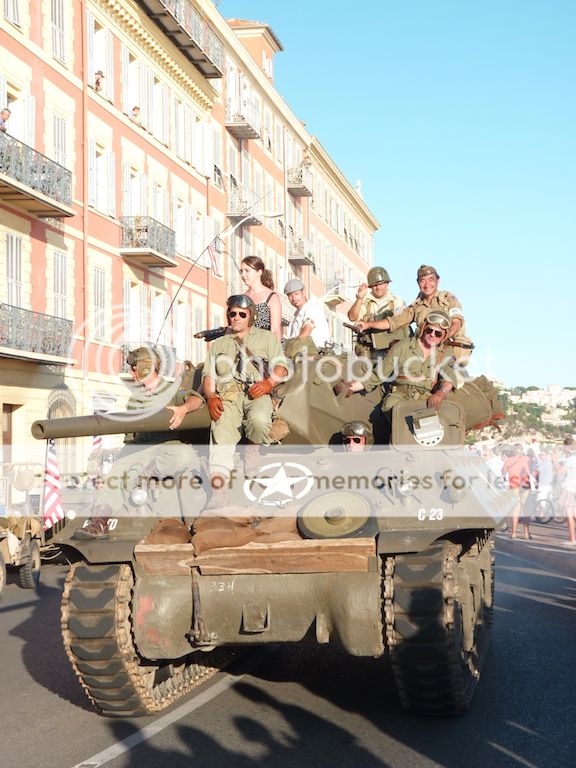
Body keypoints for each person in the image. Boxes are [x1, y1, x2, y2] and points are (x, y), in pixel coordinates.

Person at [74, 346, 205, 539]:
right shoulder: (135, 401)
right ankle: (99, 521)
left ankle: (149, 470)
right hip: (141, 446)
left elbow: (197, 400)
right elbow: (130, 438)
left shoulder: (174, 391)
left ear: (145, 367)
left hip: (168, 445)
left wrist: (183, 409)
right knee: (119, 473)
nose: (131, 372)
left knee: (186, 456)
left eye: (134, 367)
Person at [202, 295, 288, 503]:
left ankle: (252, 451)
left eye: (242, 314)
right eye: (232, 314)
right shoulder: (219, 344)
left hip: (256, 393)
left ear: (250, 316)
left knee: (259, 420)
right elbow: (208, 376)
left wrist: (268, 384)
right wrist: (211, 397)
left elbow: (281, 368)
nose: (236, 317)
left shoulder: (266, 339)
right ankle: (219, 492)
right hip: (228, 398)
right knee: (220, 432)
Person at [353, 265, 474, 364]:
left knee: (448, 383)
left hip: (448, 349)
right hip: (425, 352)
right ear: (418, 283)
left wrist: (441, 339)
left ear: (438, 281)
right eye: (423, 280)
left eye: (431, 280)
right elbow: (394, 322)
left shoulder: (448, 299)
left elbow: (456, 323)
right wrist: (368, 324)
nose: (427, 285)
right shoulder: (416, 306)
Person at [347, 310, 461, 414]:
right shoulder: (402, 347)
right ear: (423, 328)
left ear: (444, 335)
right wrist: (352, 387)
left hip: (427, 400)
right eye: (429, 330)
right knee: (395, 410)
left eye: (438, 333)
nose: (432, 335)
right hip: (400, 398)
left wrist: (440, 394)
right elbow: (377, 375)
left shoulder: (445, 353)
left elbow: (449, 378)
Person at [347, 266, 405, 357]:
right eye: (375, 285)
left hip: (390, 351)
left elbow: (398, 323)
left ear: (387, 283)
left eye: (381, 284)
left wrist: (369, 325)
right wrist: (359, 298)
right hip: (368, 352)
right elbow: (352, 317)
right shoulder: (365, 302)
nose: (378, 288)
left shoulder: (396, 302)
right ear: (370, 287)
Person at [284, 278, 330, 354]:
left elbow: (306, 332)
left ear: (303, 292)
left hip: (316, 356)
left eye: (296, 294)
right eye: (290, 296)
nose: (293, 298)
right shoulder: (295, 317)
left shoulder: (312, 308)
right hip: (301, 355)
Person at [240, 255, 282, 339]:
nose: (243, 275)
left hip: (265, 346)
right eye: (241, 271)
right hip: (244, 346)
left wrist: (273, 350)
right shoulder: (241, 298)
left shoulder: (271, 297)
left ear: (259, 272)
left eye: (247, 271)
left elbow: (276, 330)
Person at [502, 443, 532, 540]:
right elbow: (530, 471)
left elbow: (503, 472)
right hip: (525, 485)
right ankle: (526, 533)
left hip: (514, 485)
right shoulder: (526, 459)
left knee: (515, 510)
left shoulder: (509, 460)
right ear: (522, 451)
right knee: (526, 509)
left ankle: (514, 533)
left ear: (513, 452)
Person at [558, 436, 576, 547]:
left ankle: (572, 539)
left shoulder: (570, 459)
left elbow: (559, 472)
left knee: (569, 514)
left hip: (570, 488)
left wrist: (555, 462)